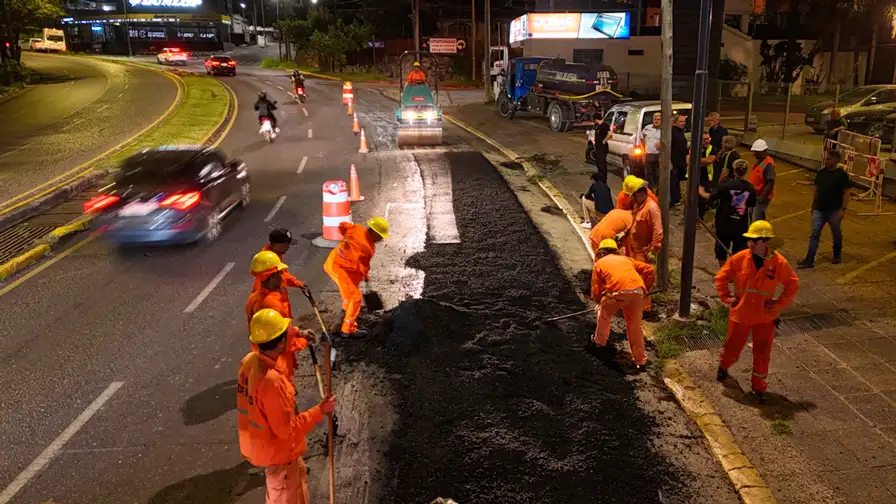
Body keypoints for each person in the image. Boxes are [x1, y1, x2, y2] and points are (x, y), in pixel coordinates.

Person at [238, 309, 335, 504]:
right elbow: (287, 429)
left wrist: (298, 332)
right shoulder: (272, 383)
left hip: (265, 448)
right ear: (281, 342)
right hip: (279, 457)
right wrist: (319, 410)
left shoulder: (249, 362)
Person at [715, 220, 799, 402]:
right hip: (741, 313)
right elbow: (721, 278)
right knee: (732, 347)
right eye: (750, 240)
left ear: (766, 242)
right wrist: (726, 297)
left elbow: (792, 284)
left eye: (755, 240)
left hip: (765, 317)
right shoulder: (740, 259)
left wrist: (777, 305)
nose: (750, 243)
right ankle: (723, 368)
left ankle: (758, 388)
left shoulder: (778, 263)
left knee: (762, 353)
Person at [588, 238, 655, 372]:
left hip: (617, 292)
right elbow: (650, 269)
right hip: (638, 292)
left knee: (604, 315)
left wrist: (599, 302)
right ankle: (640, 360)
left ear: (601, 252)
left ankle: (599, 343)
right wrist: (645, 289)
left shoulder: (599, 263)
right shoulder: (627, 260)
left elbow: (596, 289)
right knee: (634, 325)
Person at [323, 217, 388, 337]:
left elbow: (342, 226)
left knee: (349, 295)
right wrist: (365, 275)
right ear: (373, 232)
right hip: (340, 269)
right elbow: (362, 267)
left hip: (334, 262)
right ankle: (348, 329)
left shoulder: (357, 228)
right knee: (356, 297)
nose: (381, 239)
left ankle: (345, 313)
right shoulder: (367, 248)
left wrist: (347, 241)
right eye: (380, 235)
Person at [797, 149, 850, 268]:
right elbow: (816, 190)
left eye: (829, 159)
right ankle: (809, 259)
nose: (826, 161)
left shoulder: (841, 175)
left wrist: (843, 209)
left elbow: (846, 192)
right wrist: (813, 206)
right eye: (826, 159)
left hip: (834, 210)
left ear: (836, 160)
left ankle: (837, 254)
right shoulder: (821, 173)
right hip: (820, 209)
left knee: (836, 233)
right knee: (814, 234)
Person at [699, 159, 757, 266]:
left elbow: (710, 197)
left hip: (724, 223)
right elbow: (750, 207)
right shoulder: (751, 189)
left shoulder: (726, 186)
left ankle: (723, 271)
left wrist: (701, 192)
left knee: (722, 248)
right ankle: (735, 272)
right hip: (740, 225)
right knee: (739, 250)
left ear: (734, 171)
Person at [253, 228, 308, 293]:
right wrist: (296, 283)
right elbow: (282, 276)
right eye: (286, 244)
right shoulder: (268, 260)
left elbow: (283, 273)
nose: (288, 247)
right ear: (277, 244)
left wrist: (297, 283)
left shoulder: (275, 253)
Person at [690, 132, 718, 220]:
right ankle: (689, 217)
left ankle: (700, 218)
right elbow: (688, 160)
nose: (707, 141)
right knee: (690, 198)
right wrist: (701, 161)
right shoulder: (694, 147)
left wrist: (695, 160)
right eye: (705, 139)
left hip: (706, 179)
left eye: (708, 139)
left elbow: (709, 161)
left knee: (702, 200)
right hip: (693, 177)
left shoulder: (712, 149)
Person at [748, 139, 776, 221]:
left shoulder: (769, 165)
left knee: (756, 218)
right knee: (751, 216)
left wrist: (762, 198)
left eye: (757, 152)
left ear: (764, 151)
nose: (754, 154)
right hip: (755, 195)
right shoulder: (760, 161)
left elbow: (770, 183)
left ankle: (758, 233)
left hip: (760, 196)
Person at [640, 112, 662, 190]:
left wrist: (661, 143)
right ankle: (650, 190)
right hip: (648, 154)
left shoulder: (664, 130)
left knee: (658, 174)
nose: (656, 121)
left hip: (659, 155)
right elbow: (641, 137)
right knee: (648, 174)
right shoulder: (647, 128)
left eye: (658, 119)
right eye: (655, 119)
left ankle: (659, 191)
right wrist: (643, 148)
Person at [670, 113, 689, 206]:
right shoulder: (672, 132)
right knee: (674, 181)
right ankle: (674, 200)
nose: (683, 123)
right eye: (680, 121)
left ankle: (677, 198)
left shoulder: (680, 132)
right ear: (675, 122)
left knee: (677, 180)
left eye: (684, 121)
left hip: (681, 162)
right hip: (675, 162)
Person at [589, 112, 611, 178]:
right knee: (598, 163)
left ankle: (604, 178)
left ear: (596, 119)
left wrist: (604, 141)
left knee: (602, 164)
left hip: (602, 148)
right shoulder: (598, 126)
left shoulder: (605, 125)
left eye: (594, 120)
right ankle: (600, 177)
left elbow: (610, 134)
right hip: (598, 148)